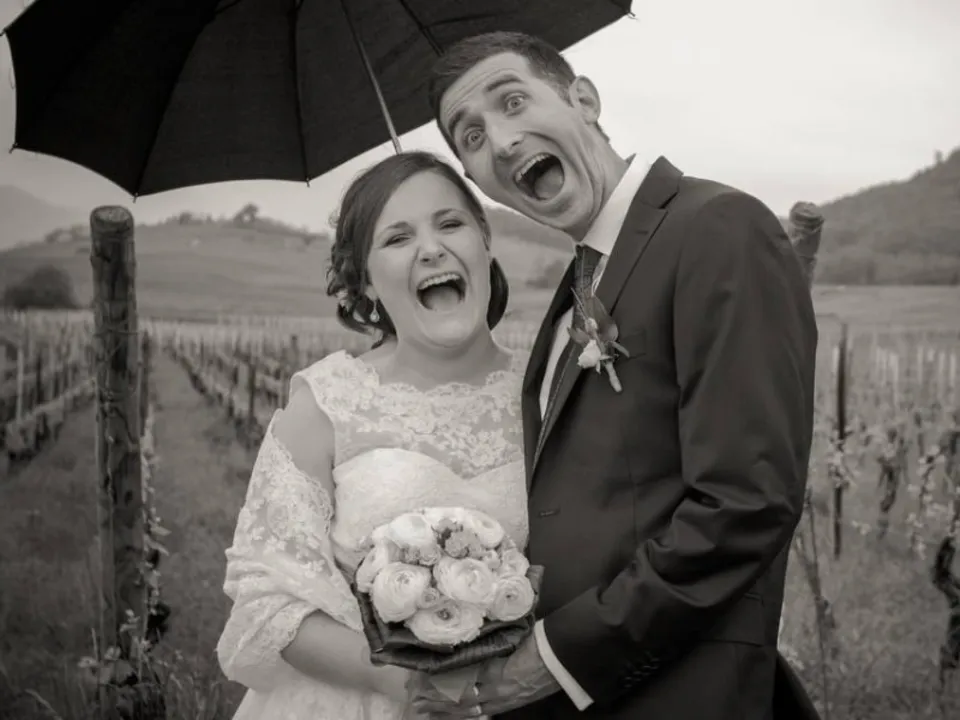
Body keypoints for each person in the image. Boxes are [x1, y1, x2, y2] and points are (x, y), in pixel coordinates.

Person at [407, 31, 823, 720]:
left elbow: (746, 504)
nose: (501, 142)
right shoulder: (581, 280)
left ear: (585, 100)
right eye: (471, 137)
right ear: (476, 178)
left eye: (513, 101)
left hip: (679, 693)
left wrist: (555, 659)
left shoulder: (717, 227)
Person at [215, 150, 529, 719]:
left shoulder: (544, 392)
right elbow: (266, 601)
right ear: (364, 279)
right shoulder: (326, 402)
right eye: (398, 237)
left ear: (486, 243)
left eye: (450, 223)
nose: (430, 248)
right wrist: (402, 683)